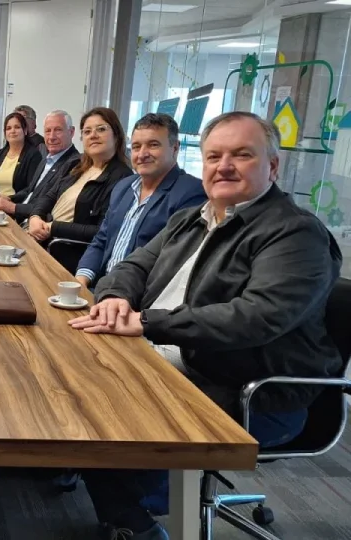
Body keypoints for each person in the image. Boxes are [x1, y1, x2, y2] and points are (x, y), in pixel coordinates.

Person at [69, 111, 343, 540]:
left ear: (272, 166)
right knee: (66, 387)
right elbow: (134, 265)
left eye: (242, 155)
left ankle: (137, 523)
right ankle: (110, 486)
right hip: (170, 362)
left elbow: (256, 317)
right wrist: (116, 297)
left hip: (247, 390)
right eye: (214, 156)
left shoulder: (295, 234)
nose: (224, 165)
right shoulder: (194, 217)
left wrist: (146, 322)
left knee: (101, 421)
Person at [74, 113, 207, 289]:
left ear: (175, 148)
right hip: (100, 286)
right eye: (136, 147)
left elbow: (169, 265)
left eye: (153, 145)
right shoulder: (124, 187)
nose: (142, 154)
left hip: (137, 298)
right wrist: (81, 280)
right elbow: (102, 240)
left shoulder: (191, 193)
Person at [27, 107, 134, 273]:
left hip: (65, 252)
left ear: (116, 135)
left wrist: (52, 228)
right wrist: (35, 217)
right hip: (40, 239)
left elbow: (101, 231)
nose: (93, 135)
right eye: (87, 131)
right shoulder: (76, 164)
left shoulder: (123, 178)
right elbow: (49, 196)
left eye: (101, 129)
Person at [0, 110, 80, 224]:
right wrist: (7, 199)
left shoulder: (74, 164)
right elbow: (30, 191)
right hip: (19, 218)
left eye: (58, 130)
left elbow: (51, 206)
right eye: (47, 131)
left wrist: (12, 207)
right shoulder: (47, 160)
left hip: (35, 226)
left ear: (72, 132)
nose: (51, 137)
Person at [0, 112, 42, 199]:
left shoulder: (34, 155)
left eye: (17, 127)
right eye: (8, 128)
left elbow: (30, 188)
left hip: (16, 205)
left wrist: (8, 199)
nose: (12, 131)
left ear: (25, 131)